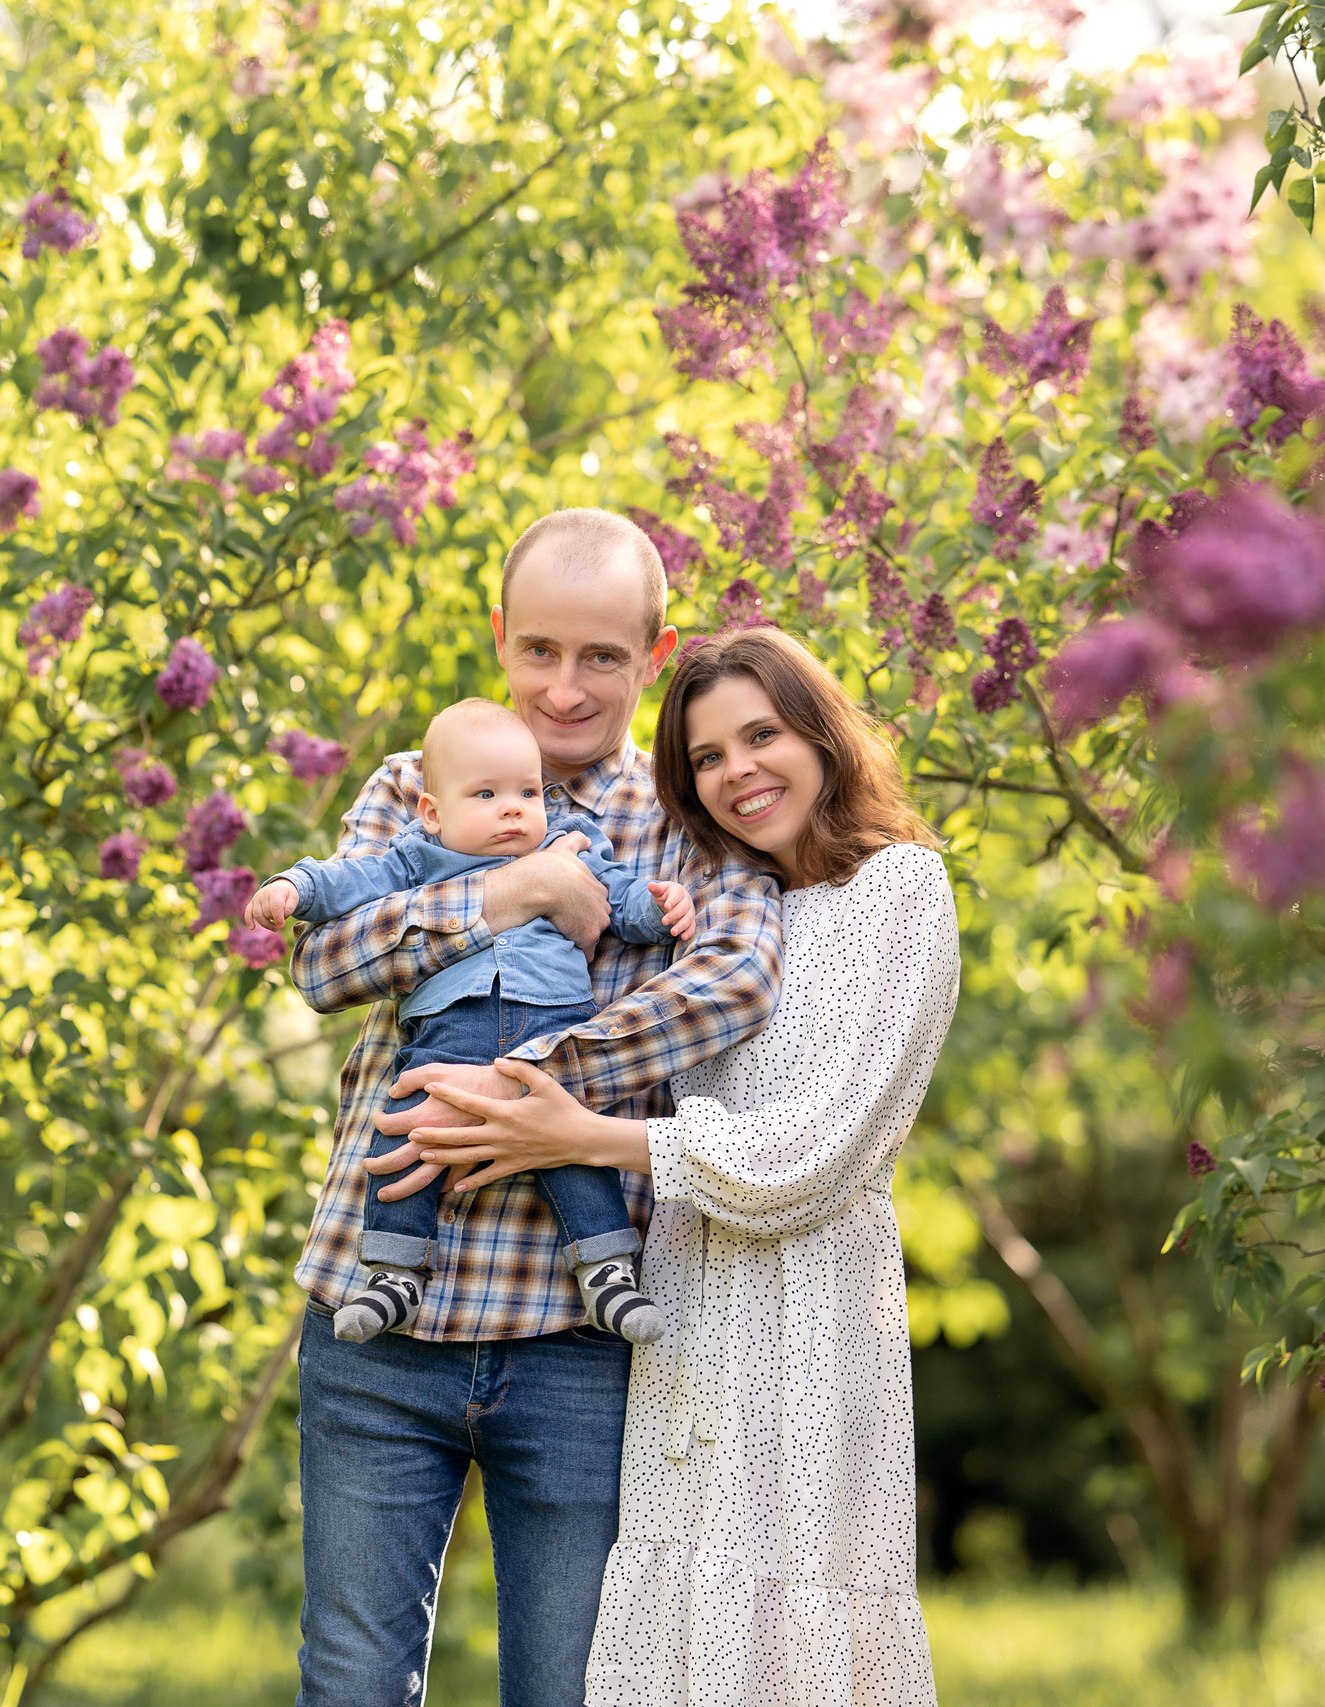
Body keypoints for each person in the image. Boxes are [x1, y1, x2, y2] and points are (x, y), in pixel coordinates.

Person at [382, 627, 961, 1706]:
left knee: (795, 1624)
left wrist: (582, 1137)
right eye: (706, 756)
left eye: (762, 735)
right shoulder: (714, 907)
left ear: (823, 737)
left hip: (813, 1316)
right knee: (675, 1634)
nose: (738, 771)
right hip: (683, 1302)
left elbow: (822, 1149)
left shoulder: (902, 891)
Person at [287, 509, 787, 1707]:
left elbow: (734, 980)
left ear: (654, 656)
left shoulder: (686, 814)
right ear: (500, 636)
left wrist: (539, 1092)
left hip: (575, 1332)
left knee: (568, 1687)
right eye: (541, 652)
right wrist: (518, 890)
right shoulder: (414, 783)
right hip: (378, 1316)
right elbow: (324, 965)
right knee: (351, 1681)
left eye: (602, 658)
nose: (565, 688)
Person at [247, 697, 697, 1346]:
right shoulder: (418, 856)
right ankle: (394, 1276)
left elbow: (623, 900)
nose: (513, 807)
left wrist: (664, 906)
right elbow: (349, 881)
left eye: (525, 790)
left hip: (554, 1027)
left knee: (573, 1152)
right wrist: (295, 887)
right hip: (446, 1033)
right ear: (435, 811)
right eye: (487, 794)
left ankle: (608, 1276)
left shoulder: (570, 842)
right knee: (404, 1138)